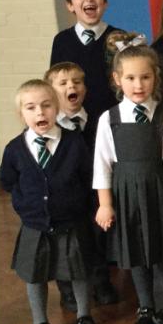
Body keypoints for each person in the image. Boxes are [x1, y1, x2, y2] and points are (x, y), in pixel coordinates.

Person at [93, 44, 163, 324]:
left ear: (155, 78)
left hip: (160, 190)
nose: (138, 84)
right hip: (126, 193)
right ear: (117, 79)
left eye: (145, 77)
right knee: (135, 249)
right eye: (131, 78)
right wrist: (105, 204)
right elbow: (102, 165)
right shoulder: (109, 119)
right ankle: (145, 306)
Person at [0, 80, 97, 324]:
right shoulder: (14, 149)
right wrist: (25, 204)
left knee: (78, 271)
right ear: (22, 114)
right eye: (31, 108)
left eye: (46, 105)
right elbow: (8, 181)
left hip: (71, 222)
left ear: (57, 108)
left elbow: (88, 177)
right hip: (34, 225)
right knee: (35, 276)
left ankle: (84, 316)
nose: (40, 113)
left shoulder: (75, 143)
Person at [45, 61, 119, 309]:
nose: (71, 86)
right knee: (66, 246)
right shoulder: (49, 128)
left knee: (96, 240)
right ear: (51, 91)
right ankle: (67, 290)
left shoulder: (99, 121)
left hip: (95, 194)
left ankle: (101, 282)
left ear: (85, 88)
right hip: (65, 200)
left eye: (77, 81)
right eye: (63, 83)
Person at [50, 0, 122, 122]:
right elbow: (55, 85)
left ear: (105, 3)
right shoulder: (61, 41)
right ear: (70, 5)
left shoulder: (120, 38)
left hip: (114, 120)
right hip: (75, 122)